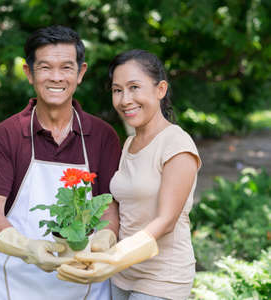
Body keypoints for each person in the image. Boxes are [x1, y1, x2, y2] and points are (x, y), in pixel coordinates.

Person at [0, 25, 122, 300]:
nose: (56, 77)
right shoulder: (5, 135)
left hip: (81, 269)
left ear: (81, 73)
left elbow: (108, 209)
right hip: (14, 270)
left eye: (66, 67)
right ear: (29, 72)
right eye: (45, 67)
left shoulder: (103, 136)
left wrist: (103, 241)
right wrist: (26, 248)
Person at [57, 49, 202, 300]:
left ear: (161, 89)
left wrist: (113, 257)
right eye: (117, 90)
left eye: (134, 87)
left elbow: (166, 221)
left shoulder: (176, 144)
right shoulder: (130, 143)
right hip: (122, 273)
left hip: (162, 278)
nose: (125, 100)